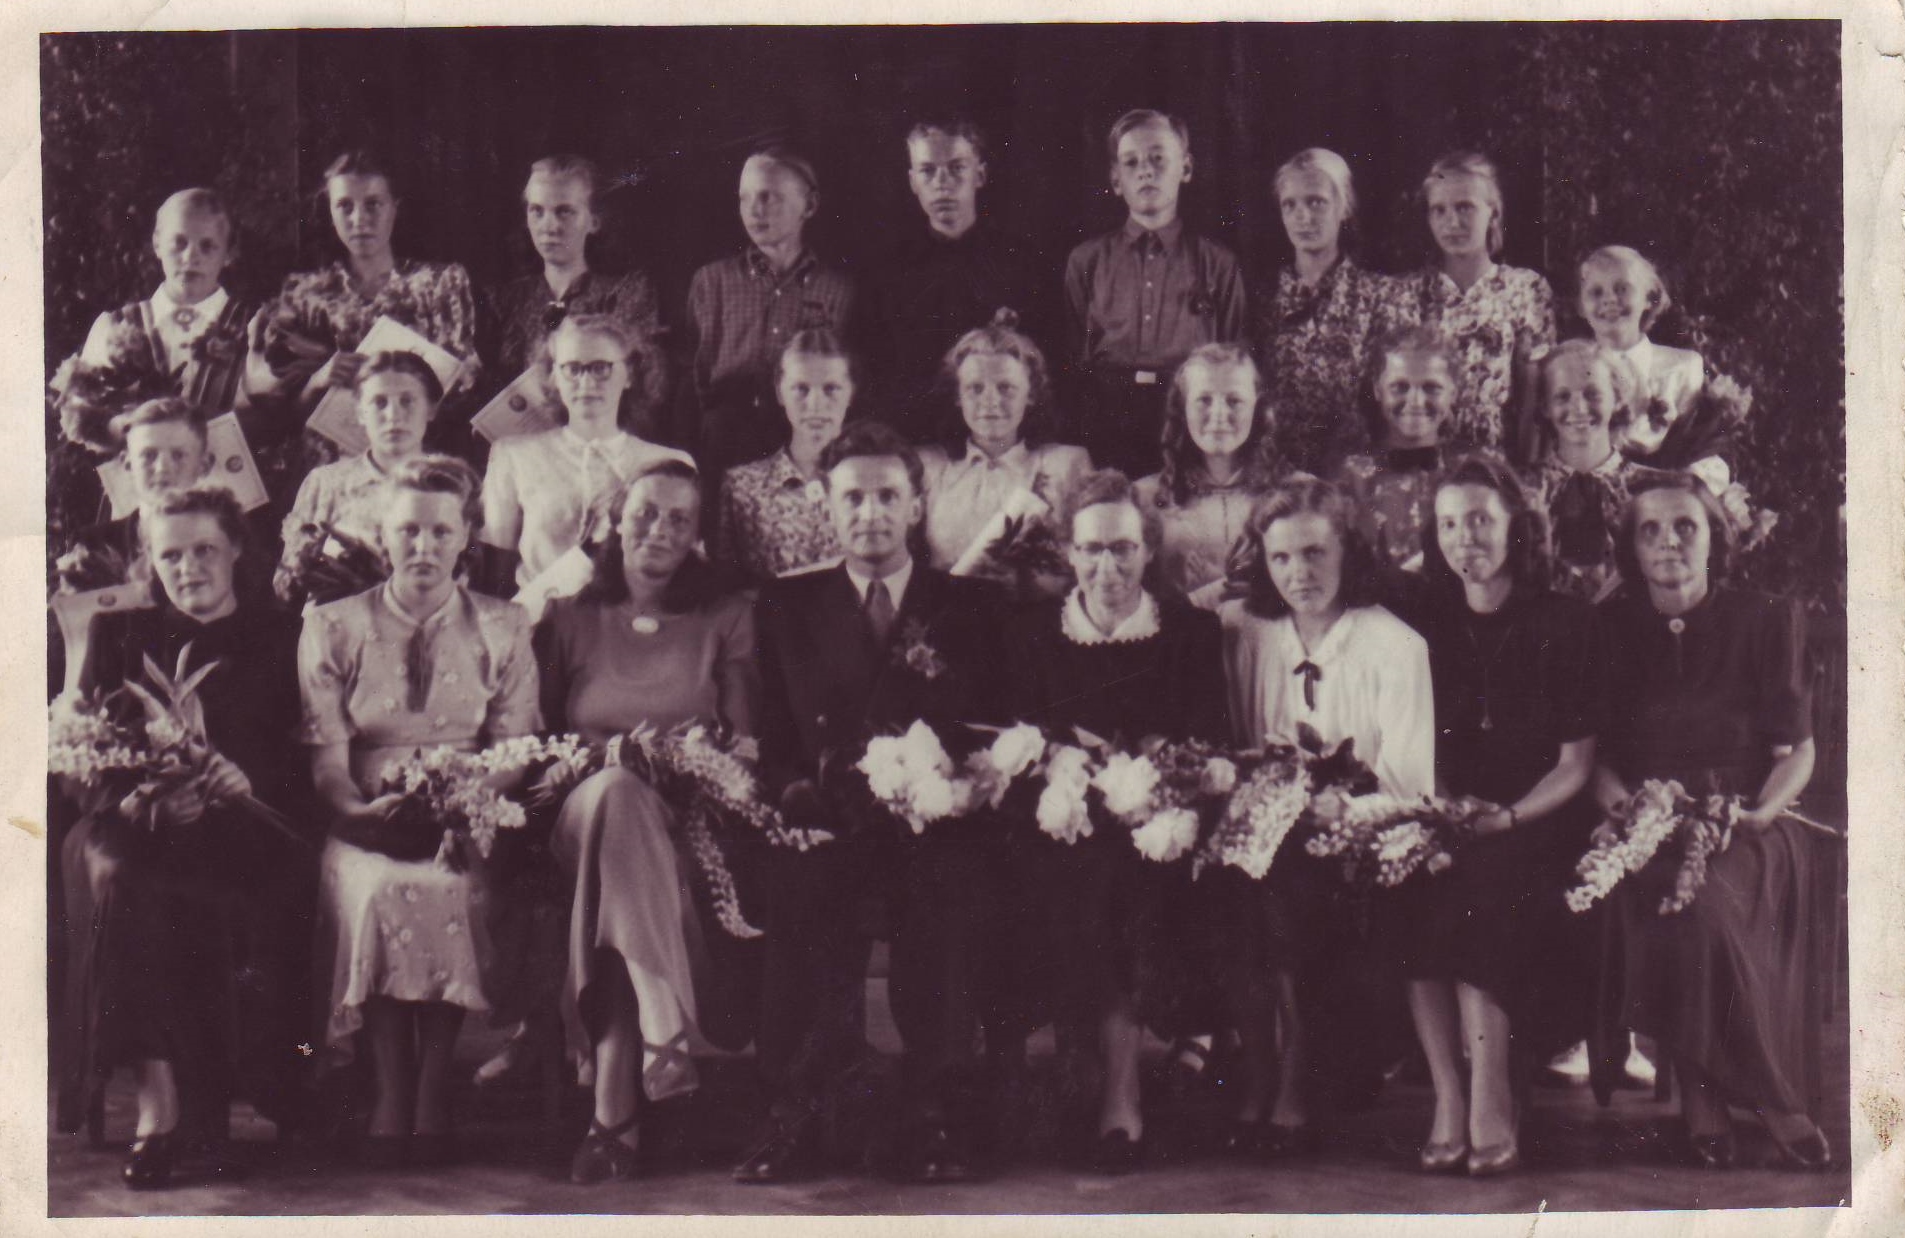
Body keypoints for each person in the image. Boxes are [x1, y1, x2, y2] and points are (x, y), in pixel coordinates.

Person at [736, 422, 1011, 1185]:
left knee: (950, 888)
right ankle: (799, 1107)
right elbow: (775, 740)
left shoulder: (969, 606)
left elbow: (993, 727)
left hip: (933, 825)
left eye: (888, 496)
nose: (870, 513)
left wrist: (963, 787)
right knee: (799, 883)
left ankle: (935, 1110)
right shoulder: (786, 605)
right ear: (826, 507)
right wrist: (797, 795)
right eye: (852, 498)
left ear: (916, 506)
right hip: (831, 822)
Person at [55, 486, 311, 1188]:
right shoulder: (121, 634)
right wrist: (145, 797)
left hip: (246, 822)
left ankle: (222, 1098)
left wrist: (247, 779)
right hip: (131, 824)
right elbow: (80, 764)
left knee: (227, 887)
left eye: (204, 550)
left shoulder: (285, 635)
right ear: (149, 560)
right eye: (171, 555)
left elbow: (307, 756)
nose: (189, 567)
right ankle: (158, 1105)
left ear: (235, 550)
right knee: (125, 877)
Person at [301, 456, 539, 1167]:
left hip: (469, 808)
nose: (424, 547)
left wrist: (462, 801)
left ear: (465, 535)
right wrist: (361, 814)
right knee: (379, 885)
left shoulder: (505, 624)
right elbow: (327, 762)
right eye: (408, 531)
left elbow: (514, 750)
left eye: (440, 531)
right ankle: (391, 1082)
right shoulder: (332, 625)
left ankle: (433, 1082)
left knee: (448, 887)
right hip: (365, 813)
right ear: (383, 534)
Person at [1594, 474, 1830, 1171]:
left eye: (1684, 527)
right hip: (1642, 822)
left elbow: (1798, 751)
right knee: (1669, 901)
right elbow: (1597, 762)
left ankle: (1754, 1096)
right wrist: (1629, 816)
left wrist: (1757, 813)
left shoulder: (1765, 619)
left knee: (1704, 908)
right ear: (1630, 549)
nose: (1667, 542)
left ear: (1713, 538)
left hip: (1747, 822)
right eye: (1649, 530)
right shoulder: (1607, 630)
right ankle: (1715, 1094)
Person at [534, 460, 760, 1183]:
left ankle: (613, 1112)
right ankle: (666, 1026)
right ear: (614, 521)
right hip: (579, 811)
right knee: (614, 794)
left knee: (628, 827)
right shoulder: (568, 616)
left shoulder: (725, 617)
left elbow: (742, 744)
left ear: (697, 538)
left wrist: (688, 766)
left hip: (682, 819)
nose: (659, 529)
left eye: (678, 520)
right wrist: (604, 763)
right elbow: (536, 742)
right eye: (645, 513)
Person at [1001, 469, 1229, 1173]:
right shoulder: (1033, 633)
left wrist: (1156, 781)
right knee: (1071, 874)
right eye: (1092, 549)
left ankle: (1119, 1087)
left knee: (1121, 877)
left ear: (1147, 550)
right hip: (1056, 822)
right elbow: (1018, 746)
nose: (1108, 566)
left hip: (1155, 823)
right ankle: (1081, 1065)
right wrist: (1062, 773)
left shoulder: (1187, 632)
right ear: (1069, 553)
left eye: (1124, 548)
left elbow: (1206, 741)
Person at [1385, 455, 1605, 1177]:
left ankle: (1489, 1094)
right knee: (1411, 888)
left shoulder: (1564, 619)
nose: (1464, 538)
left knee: (1481, 888)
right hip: (1450, 809)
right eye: (1449, 523)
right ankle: (1448, 1096)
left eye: (1479, 519)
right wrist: (1446, 807)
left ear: (1517, 524)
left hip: (1539, 815)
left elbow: (1576, 765)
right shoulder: (1425, 618)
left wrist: (1505, 818)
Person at [1212, 476, 1433, 1157]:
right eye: (1280, 557)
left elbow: (1409, 781)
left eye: (1314, 553)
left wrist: (1342, 809)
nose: (1298, 573)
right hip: (1260, 829)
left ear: (1347, 553)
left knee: (1286, 886)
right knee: (1230, 887)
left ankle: (1293, 1075)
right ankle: (1257, 1066)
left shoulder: (1393, 643)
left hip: (1361, 835)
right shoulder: (1247, 632)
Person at [48, 189, 255, 554]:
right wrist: (119, 427)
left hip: (222, 492)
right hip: (137, 497)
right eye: (179, 243)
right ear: (157, 243)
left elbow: (267, 412)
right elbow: (81, 414)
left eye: (207, 246)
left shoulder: (251, 326)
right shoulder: (117, 325)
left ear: (229, 253)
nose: (190, 256)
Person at [246, 150, 481, 468]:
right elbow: (283, 417)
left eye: (373, 204)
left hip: (416, 462)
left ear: (394, 208)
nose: (359, 219)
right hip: (331, 466)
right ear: (329, 211)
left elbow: (463, 389)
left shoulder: (439, 283)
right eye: (345, 206)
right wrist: (318, 380)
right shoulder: (303, 293)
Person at [1063, 109, 1246, 479]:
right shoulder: (1087, 260)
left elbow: (1236, 354)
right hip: (1107, 417)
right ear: (1116, 180)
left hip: (1187, 416)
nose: (1145, 171)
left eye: (1158, 158)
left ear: (1186, 168)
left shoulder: (1217, 263)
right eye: (1131, 162)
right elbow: (1071, 355)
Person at [479, 314, 691, 611]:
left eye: (601, 368)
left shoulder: (669, 462)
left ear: (630, 374)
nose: (587, 382)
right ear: (553, 377)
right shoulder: (513, 455)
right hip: (539, 621)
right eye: (572, 369)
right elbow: (493, 574)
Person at [860, 118, 1046, 444]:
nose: (942, 183)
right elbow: (874, 368)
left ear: (980, 175)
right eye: (927, 171)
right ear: (912, 181)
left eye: (957, 168)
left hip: (998, 437)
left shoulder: (1021, 263)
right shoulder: (887, 272)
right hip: (911, 438)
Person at [676, 146, 855, 482]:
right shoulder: (712, 281)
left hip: (804, 439)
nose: (754, 210)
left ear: (810, 205)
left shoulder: (836, 289)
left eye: (768, 197)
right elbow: (692, 376)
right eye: (745, 199)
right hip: (725, 439)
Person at [1380, 151, 1554, 458]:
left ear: (1493, 213)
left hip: (1495, 460)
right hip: (1422, 456)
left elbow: (1533, 397)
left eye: (1465, 207)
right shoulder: (1404, 292)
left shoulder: (1525, 288)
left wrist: (1526, 470)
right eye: (1439, 210)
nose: (1452, 222)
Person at [481, 155, 667, 442]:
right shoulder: (503, 301)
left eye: (564, 211)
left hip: (603, 442)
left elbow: (646, 387)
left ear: (594, 221)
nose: (549, 226)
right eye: (537, 211)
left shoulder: (626, 293)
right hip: (520, 447)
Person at [918, 314, 1090, 596]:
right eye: (975, 388)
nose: (991, 401)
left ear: (1031, 394)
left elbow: (1085, 564)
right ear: (957, 396)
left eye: (1006, 388)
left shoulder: (1066, 465)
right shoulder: (929, 467)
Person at [1253, 148, 1395, 473]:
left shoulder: (1380, 296)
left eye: (1316, 202)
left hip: (1352, 475)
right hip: (1276, 474)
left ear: (1344, 207)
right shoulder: (1262, 297)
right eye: (1290, 205)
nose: (1303, 216)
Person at [274, 350, 440, 605]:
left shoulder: (454, 485)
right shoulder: (326, 483)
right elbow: (284, 586)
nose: (393, 415)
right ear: (360, 412)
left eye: (407, 401)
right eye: (379, 402)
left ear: (431, 409)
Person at [1134, 342, 1289, 606]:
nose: (1218, 415)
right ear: (1183, 408)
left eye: (1234, 401)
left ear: (1258, 408)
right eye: (1204, 400)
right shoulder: (1143, 498)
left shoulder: (1296, 494)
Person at [1575, 245, 1728, 491]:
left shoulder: (1682, 367)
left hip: (1661, 498)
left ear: (1649, 297)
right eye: (1596, 292)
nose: (1609, 299)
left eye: (1622, 289)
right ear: (1581, 306)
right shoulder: (1571, 369)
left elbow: (1696, 450)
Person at [1522, 339, 1657, 603]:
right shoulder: (1521, 490)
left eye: (1592, 394)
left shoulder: (1650, 490)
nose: (1579, 409)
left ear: (1617, 398)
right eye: (1562, 396)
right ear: (1545, 407)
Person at [714, 329, 852, 582]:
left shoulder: (876, 481)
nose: (815, 404)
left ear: (851, 391)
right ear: (780, 392)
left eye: (831, 389)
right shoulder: (742, 486)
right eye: (801, 389)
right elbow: (728, 587)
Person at [56, 397, 219, 595]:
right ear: (127, 463)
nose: (162, 468)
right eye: (149, 455)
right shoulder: (92, 546)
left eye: (178, 455)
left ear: (204, 465)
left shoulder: (229, 538)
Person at [1335, 326, 1459, 573]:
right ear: (1378, 390)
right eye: (1400, 387)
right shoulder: (1351, 478)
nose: (1416, 402)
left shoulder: (1472, 470)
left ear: (1452, 393)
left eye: (1431, 387)